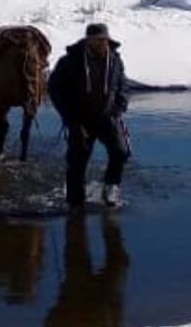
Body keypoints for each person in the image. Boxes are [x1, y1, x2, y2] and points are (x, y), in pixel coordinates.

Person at [48, 22, 130, 210]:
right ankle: (75, 202)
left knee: (121, 152)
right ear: (88, 41)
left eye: (104, 40)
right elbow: (54, 88)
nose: (102, 44)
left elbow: (122, 85)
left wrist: (119, 107)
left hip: (107, 117)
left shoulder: (115, 60)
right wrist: (68, 117)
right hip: (79, 119)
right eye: (97, 40)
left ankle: (110, 187)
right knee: (78, 161)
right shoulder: (70, 60)